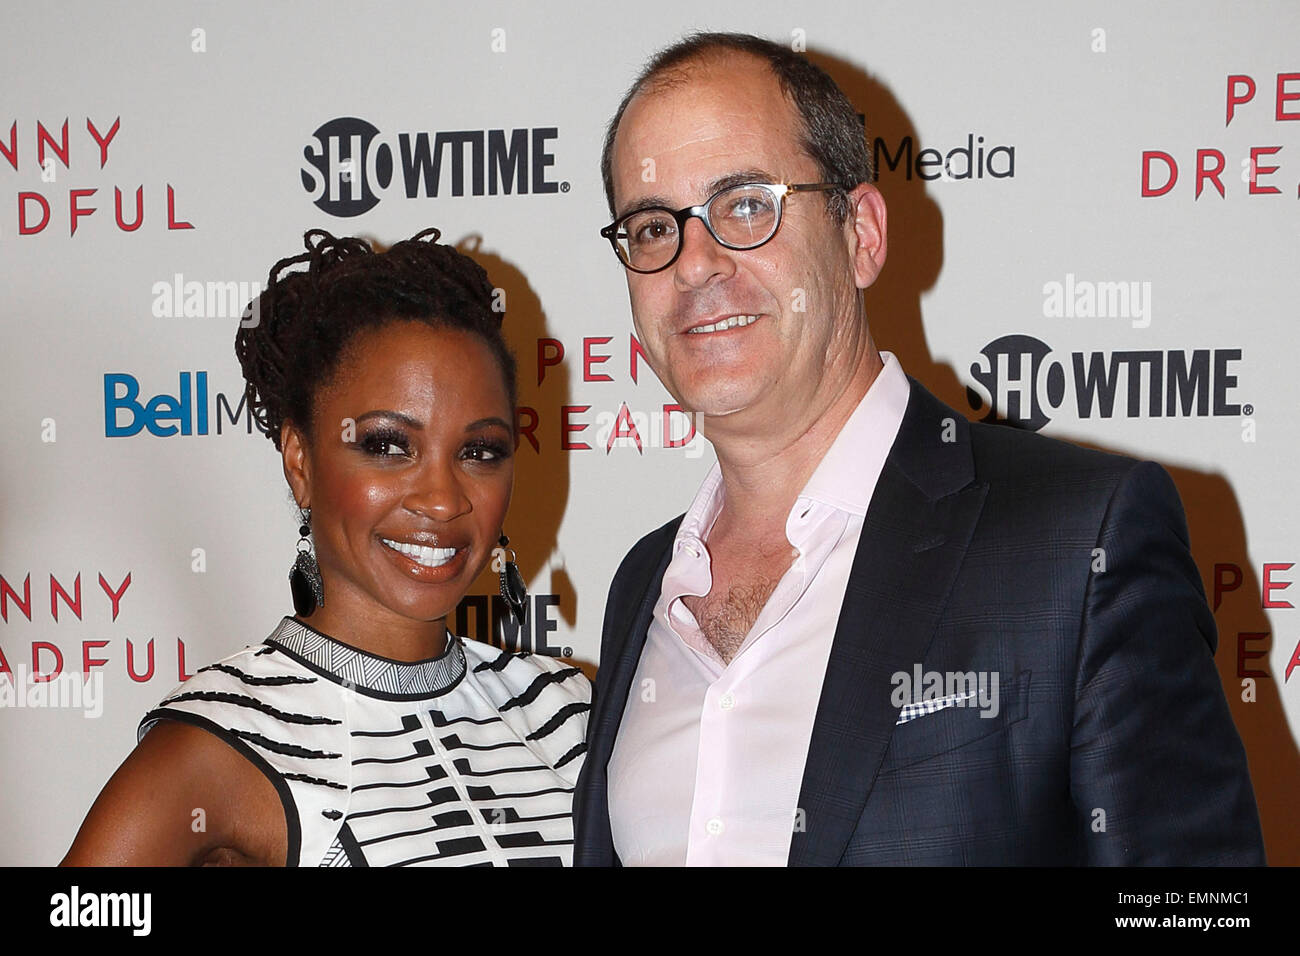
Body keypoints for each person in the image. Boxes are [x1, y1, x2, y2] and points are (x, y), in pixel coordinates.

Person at [574, 32, 1265, 866]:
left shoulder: (1078, 542)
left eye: (747, 204)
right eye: (654, 227)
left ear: (861, 234)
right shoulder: (642, 582)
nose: (695, 263)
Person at [63, 228, 589, 867]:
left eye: (479, 452)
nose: (443, 499)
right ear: (300, 461)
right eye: (387, 445)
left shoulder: (570, 710)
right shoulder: (217, 751)